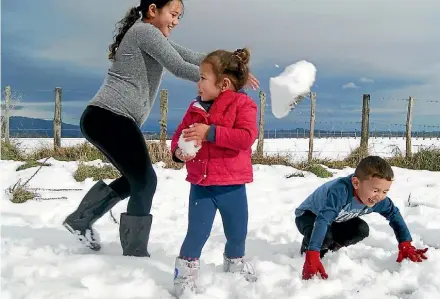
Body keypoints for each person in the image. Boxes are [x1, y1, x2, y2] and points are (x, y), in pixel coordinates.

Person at [62, 0, 260, 256]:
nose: (176, 21)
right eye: (173, 14)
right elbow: (179, 66)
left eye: (179, 17)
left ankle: (82, 219)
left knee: (136, 180)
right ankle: (134, 252)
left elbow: (191, 57)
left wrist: (232, 68)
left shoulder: (149, 34)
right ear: (153, 10)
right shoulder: (145, 31)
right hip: (109, 116)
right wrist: (224, 82)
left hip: (106, 119)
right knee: (145, 182)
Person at [170, 48, 258, 296]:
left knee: (237, 232)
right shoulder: (195, 108)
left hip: (232, 185)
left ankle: (234, 265)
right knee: (196, 233)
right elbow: (179, 134)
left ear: (224, 84)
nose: (197, 83)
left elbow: (245, 137)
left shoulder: (243, 104)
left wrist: (210, 132)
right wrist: (178, 152)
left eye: (202, 78)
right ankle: (184, 277)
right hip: (202, 185)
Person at [295, 155, 429, 280]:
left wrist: (405, 243)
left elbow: (394, 215)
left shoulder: (377, 200)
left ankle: (331, 248)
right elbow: (323, 220)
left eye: (385, 191)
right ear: (356, 183)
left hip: (337, 219)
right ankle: (308, 247)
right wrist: (313, 253)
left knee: (361, 229)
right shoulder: (341, 191)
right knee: (325, 236)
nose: (380, 196)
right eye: (376, 190)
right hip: (309, 215)